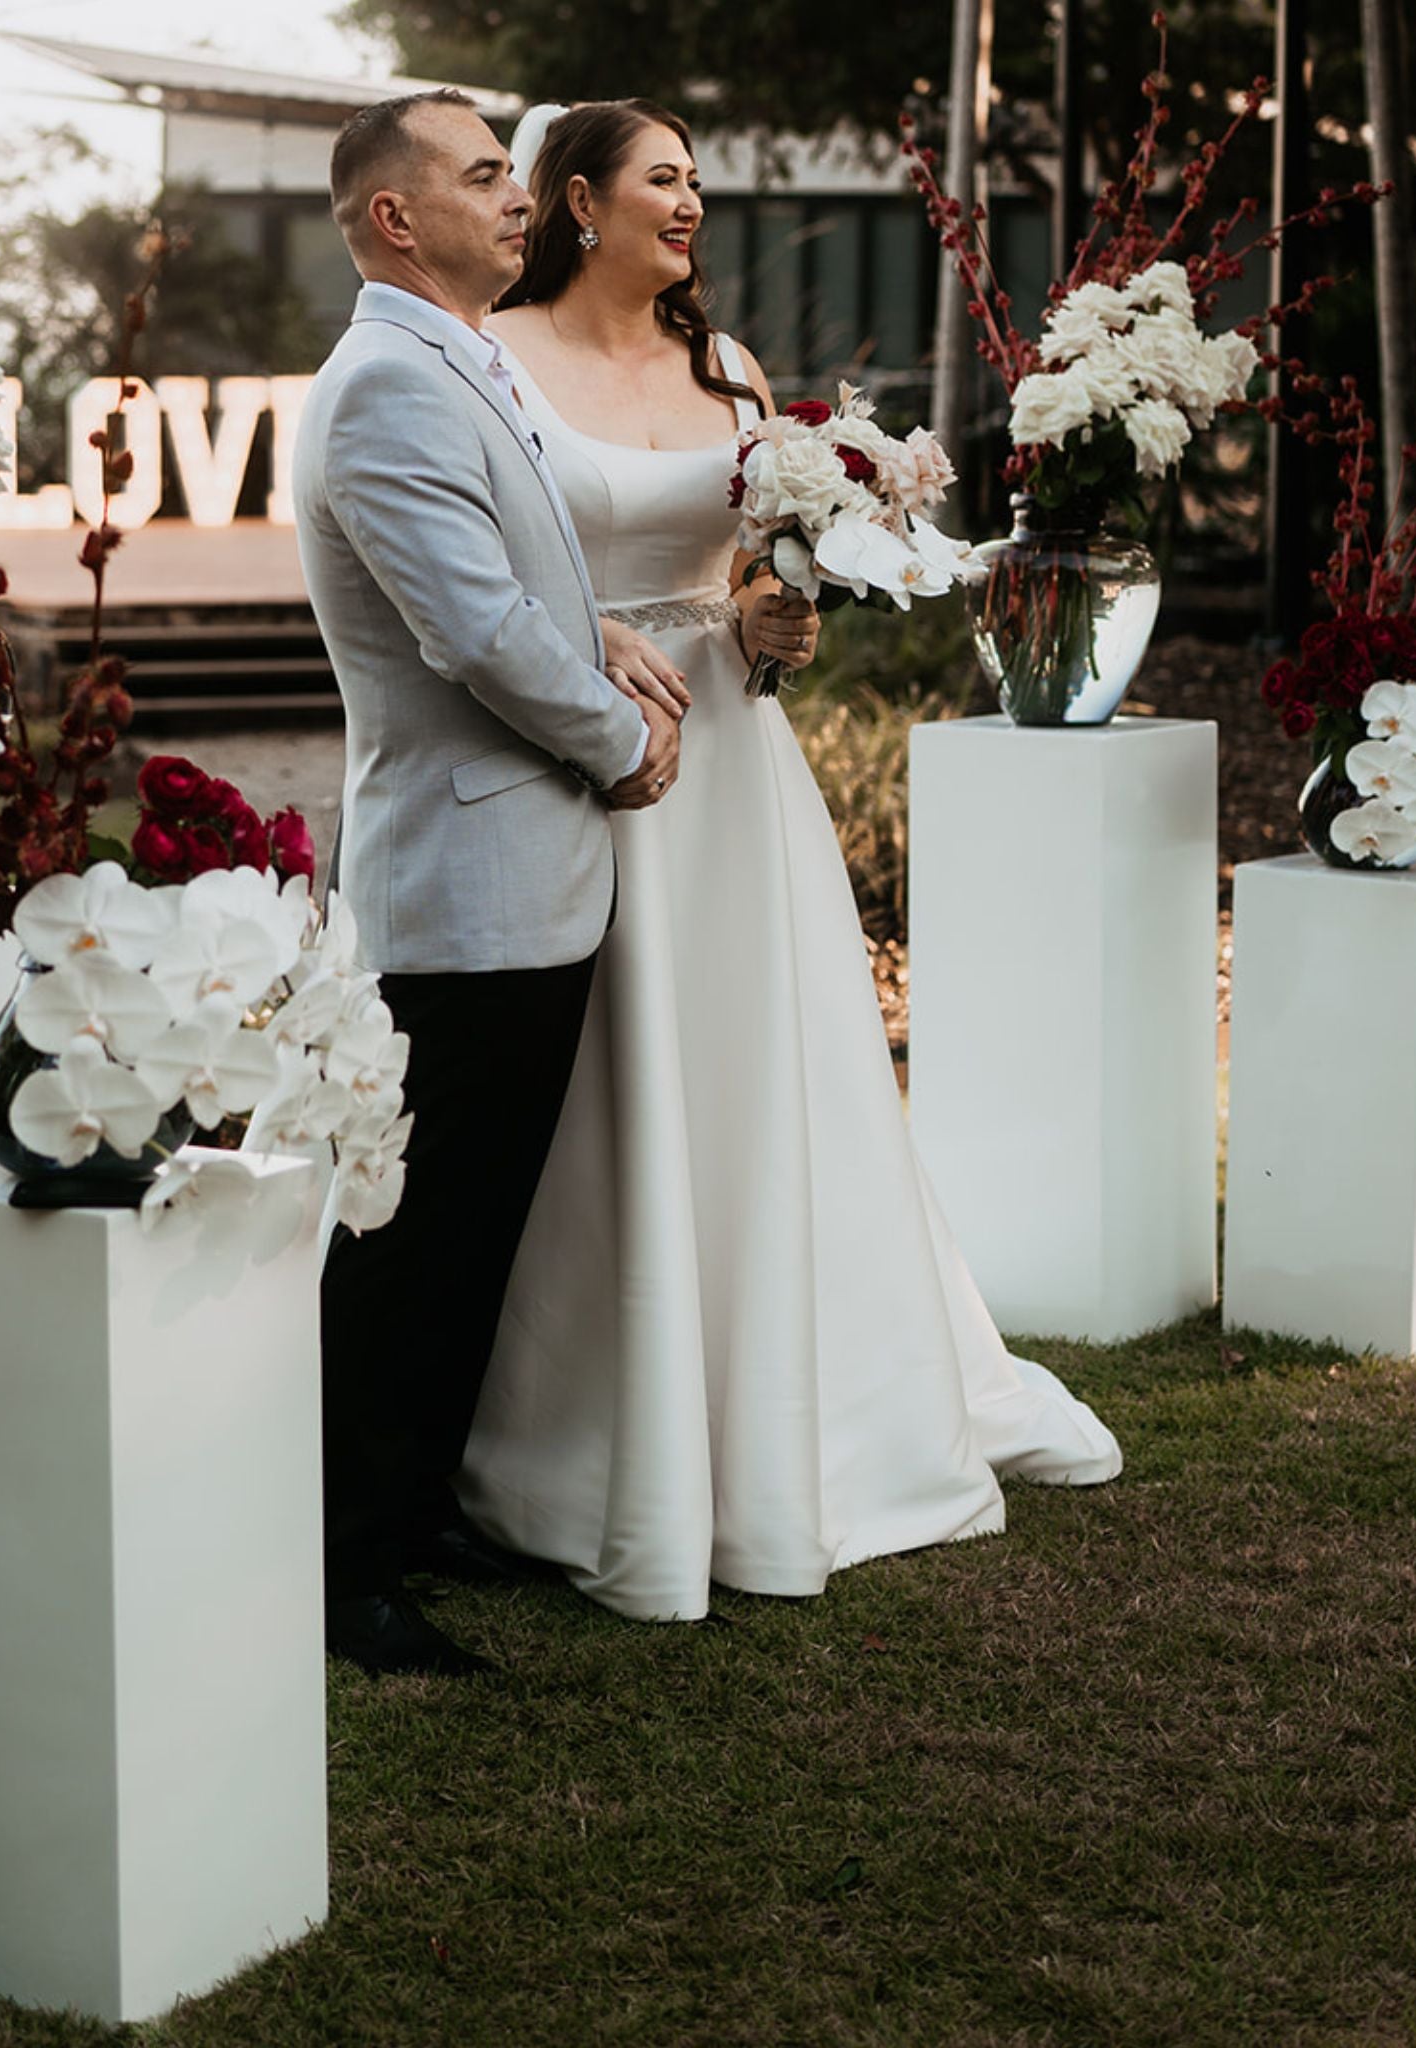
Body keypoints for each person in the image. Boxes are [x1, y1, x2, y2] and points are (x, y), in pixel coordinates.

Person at [455, 100, 1124, 1621]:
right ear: (577, 203)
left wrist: (774, 613)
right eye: (662, 180)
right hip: (592, 759)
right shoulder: (494, 363)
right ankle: (576, 1437)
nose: (691, 205)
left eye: (698, 180)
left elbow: (756, 563)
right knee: (607, 1097)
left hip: (736, 766)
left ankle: (806, 1410)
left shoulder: (730, 371)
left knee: (764, 1082)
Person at [293, 90, 683, 1676]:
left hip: (517, 871)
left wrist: (594, 632)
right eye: (477, 177)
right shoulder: (389, 384)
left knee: (470, 1232)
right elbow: (467, 627)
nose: (514, 196)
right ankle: (336, 1567)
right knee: (413, 1244)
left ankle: (416, 1502)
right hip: (467, 873)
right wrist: (618, 743)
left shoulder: (462, 355)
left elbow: (522, 577)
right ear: (396, 218)